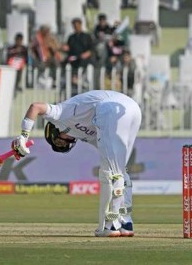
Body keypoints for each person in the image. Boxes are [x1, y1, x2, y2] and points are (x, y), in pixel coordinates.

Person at [11, 90, 142, 237]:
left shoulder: (59, 115)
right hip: (131, 109)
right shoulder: (86, 136)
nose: (63, 143)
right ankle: (125, 222)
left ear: (53, 131)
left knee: (111, 173)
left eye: (58, 141)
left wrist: (23, 137)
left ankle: (109, 225)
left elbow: (35, 107)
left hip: (111, 108)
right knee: (121, 172)